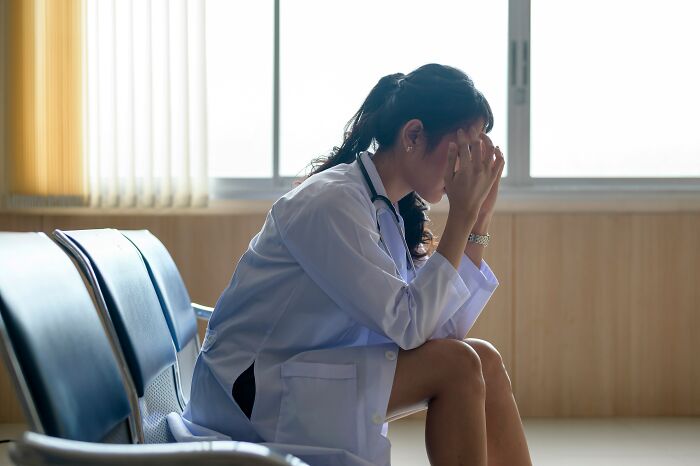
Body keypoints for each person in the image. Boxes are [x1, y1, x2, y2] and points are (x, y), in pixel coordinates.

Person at [179, 64, 532, 466]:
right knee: (459, 366)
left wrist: (479, 217)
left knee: (480, 358)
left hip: (300, 374)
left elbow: (441, 329)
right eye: (461, 150)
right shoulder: (332, 202)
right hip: (250, 397)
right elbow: (410, 326)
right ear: (413, 136)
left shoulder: (386, 210)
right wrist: (462, 215)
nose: (465, 167)